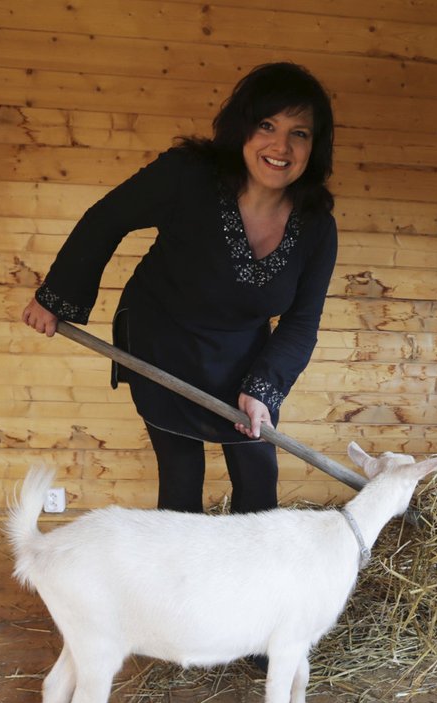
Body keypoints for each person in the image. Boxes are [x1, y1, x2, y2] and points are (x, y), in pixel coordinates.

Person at [22, 62, 338, 515]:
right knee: (181, 468)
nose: (280, 146)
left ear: (314, 145)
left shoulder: (317, 228)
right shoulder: (188, 176)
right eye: (267, 125)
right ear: (243, 128)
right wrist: (55, 298)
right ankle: (179, 577)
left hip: (240, 349)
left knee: (258, 471)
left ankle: (251, 579)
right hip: (161, 337)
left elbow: (301, 323)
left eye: (300, 133)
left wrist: (264, 389)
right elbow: (106, 219)